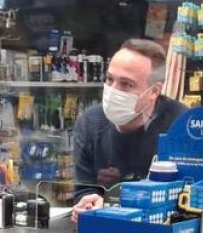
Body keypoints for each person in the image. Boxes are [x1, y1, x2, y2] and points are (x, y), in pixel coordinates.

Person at [72, 38, 188, 218]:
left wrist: (115, 202)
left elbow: (185, 199)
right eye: (109, 79)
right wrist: (88, 204)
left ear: (154, 92)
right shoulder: (90, 124)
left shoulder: (181, 126)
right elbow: (84, 189)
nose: (113, 90)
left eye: (126, 84)